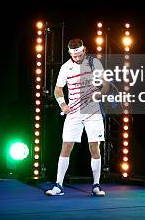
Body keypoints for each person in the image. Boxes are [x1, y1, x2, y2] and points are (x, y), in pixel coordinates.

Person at [45, 38, 109, 197]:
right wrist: (63, 105)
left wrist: (100, 94)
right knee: (66, 146)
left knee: (94, 147)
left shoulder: (95, 63)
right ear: (70, 54)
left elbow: (106, 84)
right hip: (73, 113)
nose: (78, 58)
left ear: (84, 50)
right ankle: (59, 185)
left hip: (93, 112)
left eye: (80, 55)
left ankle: (96, 185)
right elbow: (58, 89)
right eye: (75, 56)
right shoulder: (65, 68)